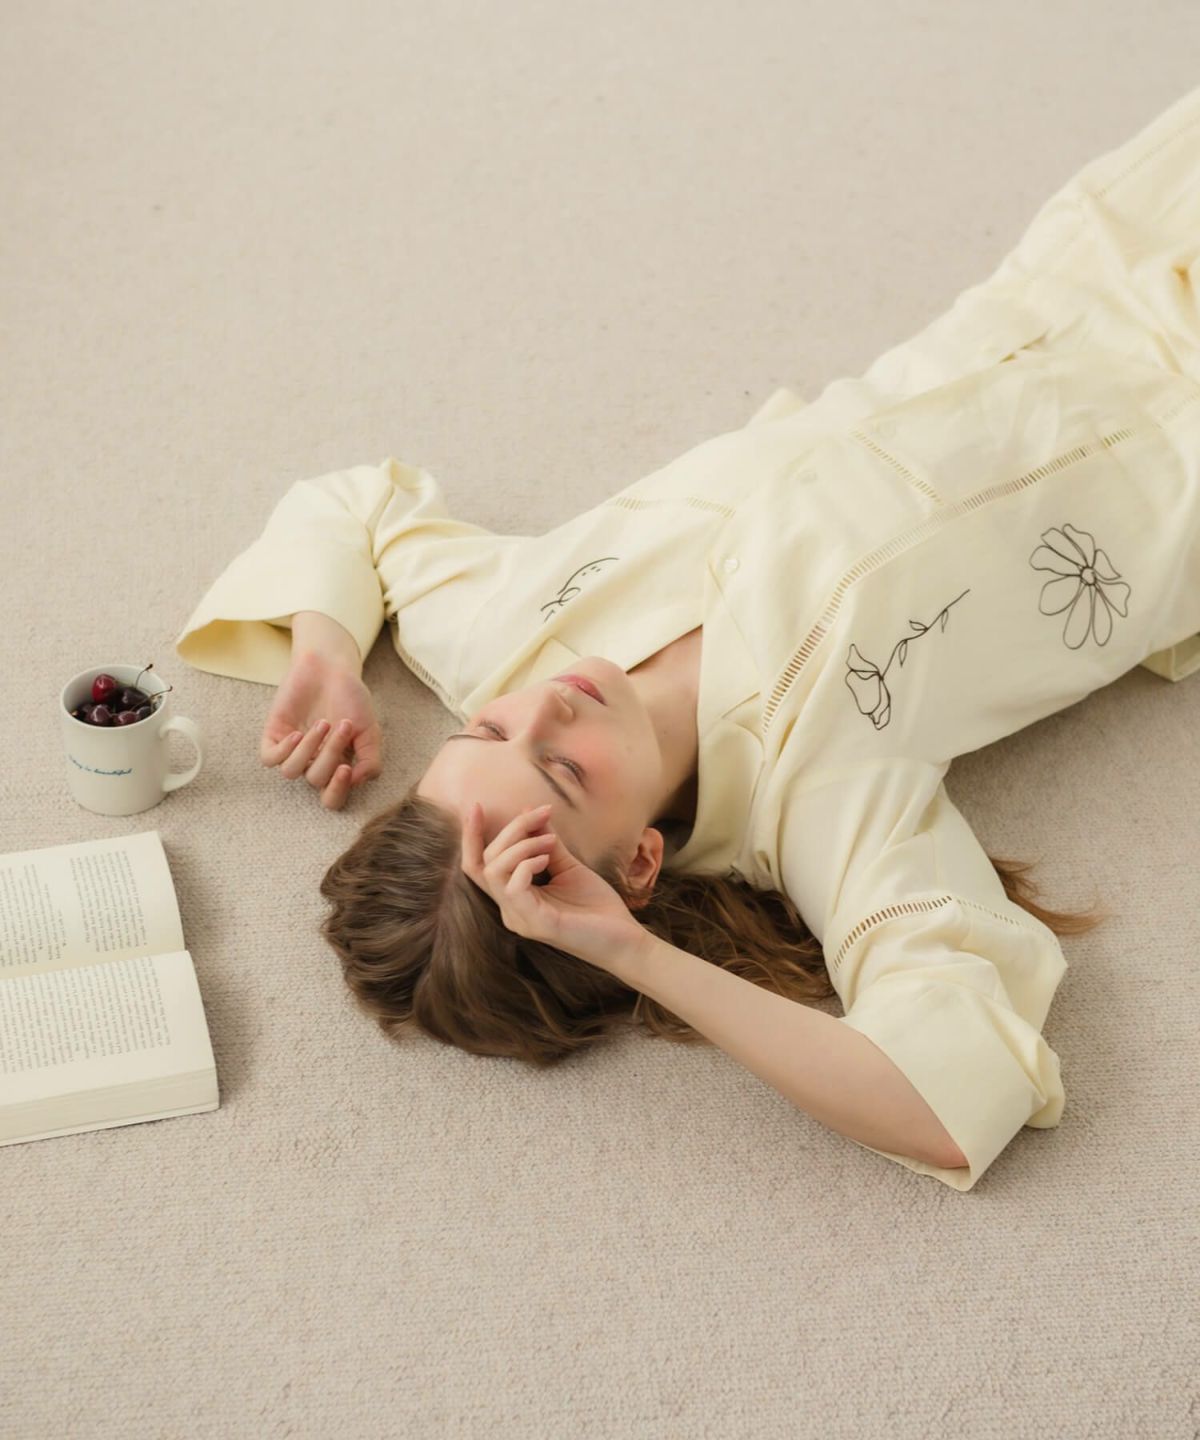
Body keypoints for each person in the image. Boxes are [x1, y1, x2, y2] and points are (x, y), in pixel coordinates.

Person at [175, 84, 1200, 1191]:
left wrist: (328, 652)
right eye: (564, 770)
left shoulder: (502, 632)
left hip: (1086, 270)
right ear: (639, 862)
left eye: (490, 730)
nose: (549, 702)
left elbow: (357, 508)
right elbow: (951, 1098)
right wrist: (631, 951)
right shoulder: (819, 802)